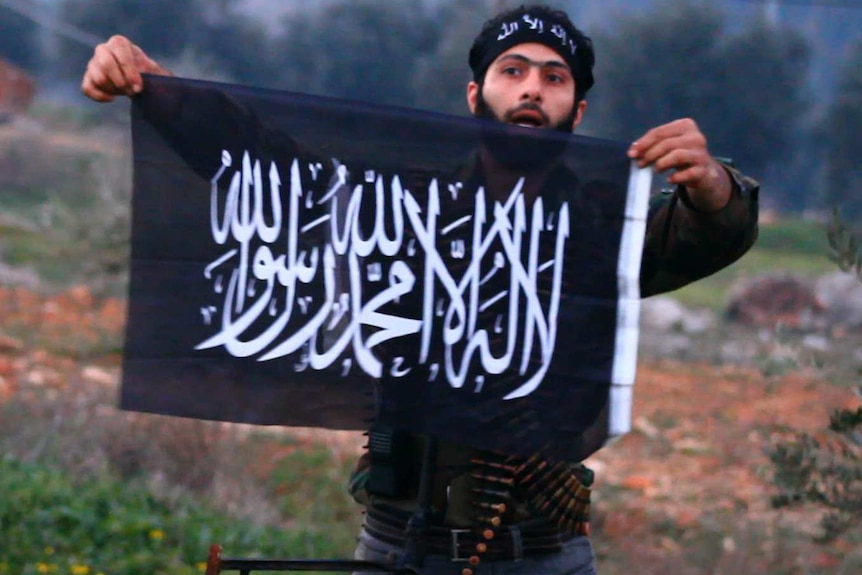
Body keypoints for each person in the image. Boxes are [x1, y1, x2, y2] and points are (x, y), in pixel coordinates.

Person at [82, 5, 758, 574]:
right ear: (475, 96)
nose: (531, 89)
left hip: (537, 551)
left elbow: (705, 232)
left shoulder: (600, 227)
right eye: (512, 70)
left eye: (554, 78)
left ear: (576, 112)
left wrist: (714, 185)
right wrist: (162, 92)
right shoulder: (406, 211)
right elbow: (274, 170)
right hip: (394, 541)